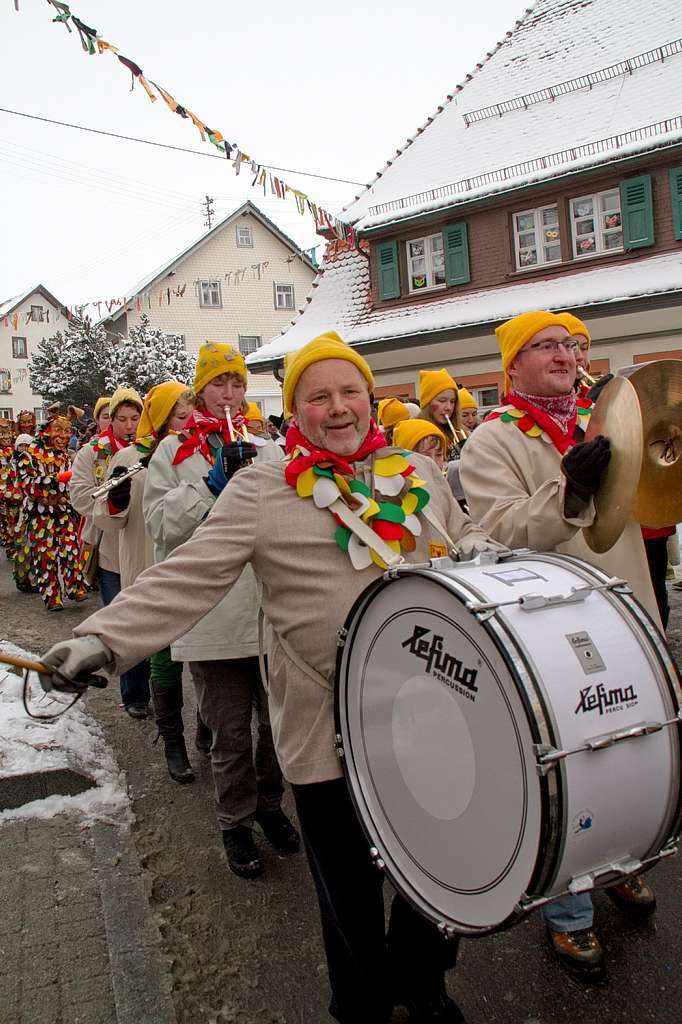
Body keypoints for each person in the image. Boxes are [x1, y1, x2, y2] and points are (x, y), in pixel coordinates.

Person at [39, 331, 505, 1024]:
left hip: (429, 712)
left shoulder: (417, 471)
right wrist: (99, 639)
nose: (339, 408)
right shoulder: (263, 486)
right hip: (327, 722)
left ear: (370, 399)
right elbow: (188, 577)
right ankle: (360, 1000)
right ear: (296, 409)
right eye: (318, 396)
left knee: (440, 860)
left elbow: (456, 536)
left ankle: (422, 977)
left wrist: (475, 549)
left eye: (350, 392)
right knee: (346, 885)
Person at [460, 310, 659, 981]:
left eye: (569, 347)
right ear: (512, 365)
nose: (562, 356)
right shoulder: (493, 439)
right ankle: (570, 911)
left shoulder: (606, 419)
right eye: (543, 347)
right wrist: (569, 489)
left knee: (639, 746)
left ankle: (629, 861)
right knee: (573, 767)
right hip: (557, 623)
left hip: (626, 605)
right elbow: (499, 533)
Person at [142, 341, 298, 879]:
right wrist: (213, 486)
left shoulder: (269, 448)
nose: (229, 394)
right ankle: (235, 821)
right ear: (200, 390)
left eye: (236, 383)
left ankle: (272, 807)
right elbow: (161, 528)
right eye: (217, 385)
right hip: (213, 617)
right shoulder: (173, 453)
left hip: (269, 614)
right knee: (229, 734)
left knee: (278, 730)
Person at [92, 381, 197, 782]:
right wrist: (116, 498)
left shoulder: (198, 450)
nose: (181, 423)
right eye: (174, 416)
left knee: (204, 658)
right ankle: (173, 743)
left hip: (190, 565)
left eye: (186, 416)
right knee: (163, 656)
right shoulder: (129, 455)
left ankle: (207, 727)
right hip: (148, 567)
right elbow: (106, 518)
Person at [70, 385, 150, 717]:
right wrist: (113, 499)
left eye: (136, 417)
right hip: (113, 552)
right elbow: (79, 496)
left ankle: (161, 690)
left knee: (155, 623)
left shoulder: (152, 449)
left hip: (147, 547)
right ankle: (134, 695)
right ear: (110, 420)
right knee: (124, 623)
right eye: (122, 418)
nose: (130, 425)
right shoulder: (94, 452)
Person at [13, 415, 88, 610]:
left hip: (62, 511)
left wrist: (66, 487)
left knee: (70, 549)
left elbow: (72, 483)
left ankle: (74, 587)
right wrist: (55, 479)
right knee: (46, 557)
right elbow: (29, 486)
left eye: (66, 431)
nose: (64, 436)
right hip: (40, 515)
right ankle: (52, 596)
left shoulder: (63, 455)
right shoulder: (28, 456)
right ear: (46, 431)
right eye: (59, 430)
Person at [418, 369, 462, 459]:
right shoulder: (418, 434)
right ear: (428, 403)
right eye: (442, 401)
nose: (449, 407)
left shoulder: (461, 432)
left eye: (452, 401)